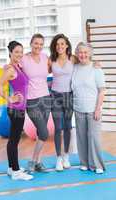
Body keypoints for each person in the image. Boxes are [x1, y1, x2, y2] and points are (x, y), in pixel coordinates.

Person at [0, 41, 33, 180]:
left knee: (13, 139)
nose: (19, 54)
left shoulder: (17, 66)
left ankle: (12, 168)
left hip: (19, 109)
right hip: (16, 109)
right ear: (10, 53)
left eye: (21, 52)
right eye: (16, 52)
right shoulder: (11, 69)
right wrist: (9, 98)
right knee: (14, 140)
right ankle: (16, 172)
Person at [71, 42, 105, 174]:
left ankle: (97, 165)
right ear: (77, 53)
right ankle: (84, 162)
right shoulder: (75, 68)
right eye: (80, 52)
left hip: (93, 109)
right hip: (78, 108)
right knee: (81, 137)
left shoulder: (96, 68)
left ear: (90, 54)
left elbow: (101, 90)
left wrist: (98, 109)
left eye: (85, 52)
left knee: (93, 137)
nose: (82, 55)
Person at [21, 34, 51, 173]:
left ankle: (38, 162)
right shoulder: (24, 59)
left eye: (40, 44)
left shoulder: (45, 57)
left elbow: (59, 64)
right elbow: (13, 67)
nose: (38, 46)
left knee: (41, 133)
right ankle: (32, 161)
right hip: (32, 101)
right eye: (36, 43)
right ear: (31, 43)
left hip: (46, 98)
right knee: (44, 133)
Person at [49, 34, 74, 171]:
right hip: (55, 96)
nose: (60, 46)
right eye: (57, 44)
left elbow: (86, 62)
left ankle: (66, 156)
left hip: (69, 96)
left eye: (62, 44)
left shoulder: (73, 59)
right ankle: (58, 157)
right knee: (58, 128)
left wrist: (96, 64)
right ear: (55, 46)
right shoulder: (51, 60)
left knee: (68, 127)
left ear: (67, 45)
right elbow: (39, 70)